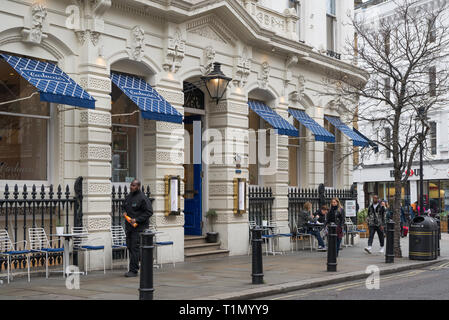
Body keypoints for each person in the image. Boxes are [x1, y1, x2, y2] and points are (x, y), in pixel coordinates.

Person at [122, 179, 153, 277]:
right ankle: (143, 262)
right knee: (130, 247)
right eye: (131, 185)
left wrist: (137, 220)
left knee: (135, 248)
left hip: (139, 228)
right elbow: (124, 207)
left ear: (138, 187)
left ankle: (133, 270)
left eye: (134, 185)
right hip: (129, 228)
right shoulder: (128, 197)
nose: (131, 187)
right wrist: (124, 212)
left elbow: (149, 212)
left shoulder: (143, 198)